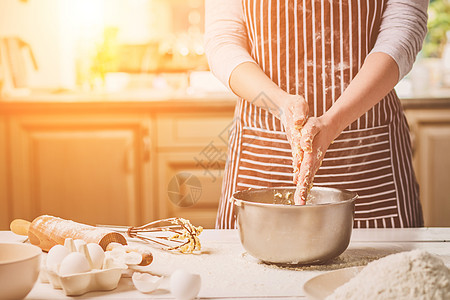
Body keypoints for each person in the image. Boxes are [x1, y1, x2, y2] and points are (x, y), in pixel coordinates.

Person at [205, 0, 428, 229]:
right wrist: (279, 102)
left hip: (369, 163)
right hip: (262, 155)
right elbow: (222, 40)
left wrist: (336, 119)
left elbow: (404, 28)